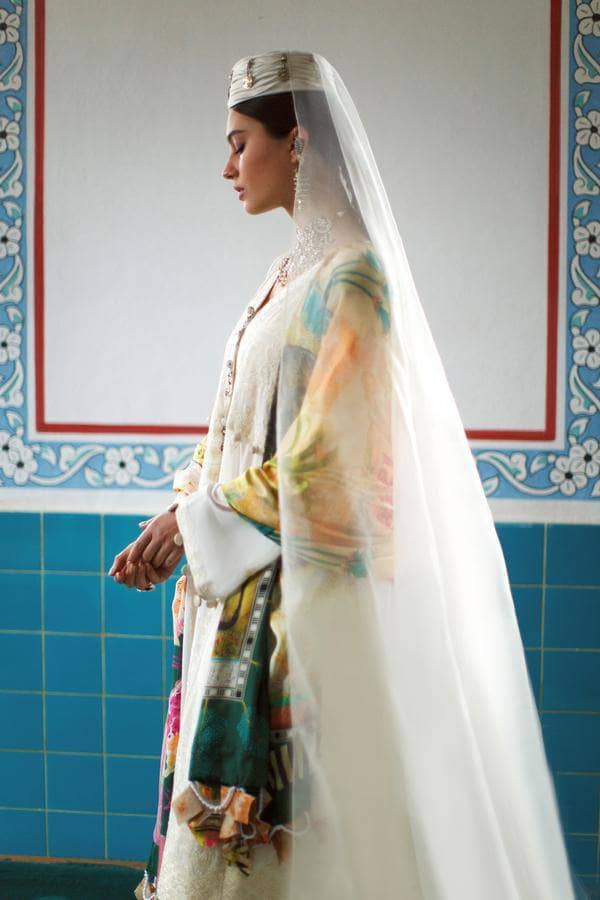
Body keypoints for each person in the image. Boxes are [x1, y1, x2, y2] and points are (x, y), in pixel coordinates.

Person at [109, 51, 586, 899]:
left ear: (297, 141)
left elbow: (338, 467)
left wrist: (196, 522)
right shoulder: (286, 273)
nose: (227, 166)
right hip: (241, 601)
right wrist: (174, 519)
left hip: (308, 623)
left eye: (240, 142)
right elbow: (233, 431)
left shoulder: (352, 278)